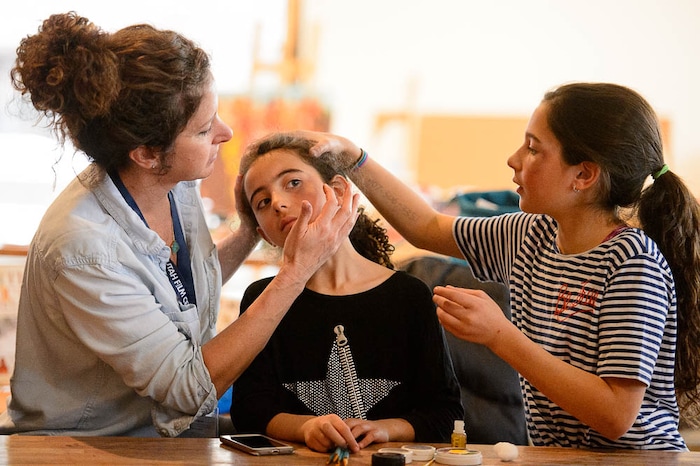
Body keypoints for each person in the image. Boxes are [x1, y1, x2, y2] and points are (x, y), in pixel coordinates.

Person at [0, 12, 358, 437]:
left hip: (164, 440)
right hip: (85, 447)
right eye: (205, 130)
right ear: (147, 154)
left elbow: (181, 291)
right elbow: (188, 390)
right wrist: (295, 272)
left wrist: (247, 233)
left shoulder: (172, 183)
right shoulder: (85, 248)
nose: (225, 134)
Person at [307, 82, 700, 450]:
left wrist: (500, 335)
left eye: (533, 149)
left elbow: (615, 415)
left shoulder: (632, 263)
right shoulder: (530, 234)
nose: (513, 160)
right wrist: (354, 158)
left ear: (583, 174)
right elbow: (425, 226)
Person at [229, 133, 463, 453]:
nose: (279, 203)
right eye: (262, 202)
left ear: (338, 190)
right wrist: (307, 426)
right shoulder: (262, 299)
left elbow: (446, 414)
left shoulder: (408, 296)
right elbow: (249, 410)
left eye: (293, 183)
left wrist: (385, 429)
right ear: (263, 234)